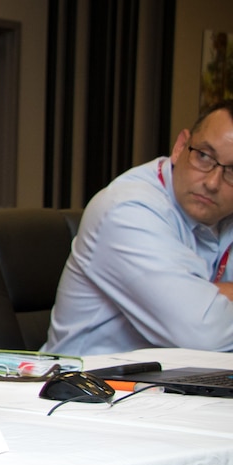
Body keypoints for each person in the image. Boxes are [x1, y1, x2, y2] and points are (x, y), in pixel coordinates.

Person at [44, 99, 233, 355]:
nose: (212, 182)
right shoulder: (126, 210)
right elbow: (204, 333)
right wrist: (204, 302)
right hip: (88, 386)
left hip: (173, 383)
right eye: (203, 156)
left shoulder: (223, 215)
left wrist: (203, 296)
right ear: (180, 147)